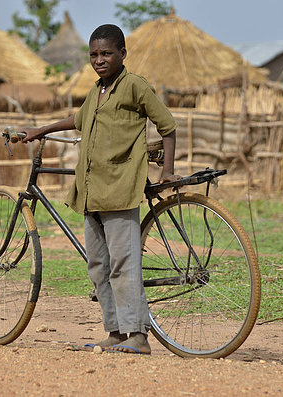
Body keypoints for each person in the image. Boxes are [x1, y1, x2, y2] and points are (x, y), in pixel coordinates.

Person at [20, 24, 179, 354]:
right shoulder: (96, 92)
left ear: (123, 54)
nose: (99, 60)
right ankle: (115, 332)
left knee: (123, 263)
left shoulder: (135, 86)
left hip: (120, 187)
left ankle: (137, 335)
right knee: (98, 266)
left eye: (106, 53)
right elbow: (78, 120)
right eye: (93, 54)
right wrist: (43, 129)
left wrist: (167, 170)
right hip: (91, 191)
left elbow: (168, 126)